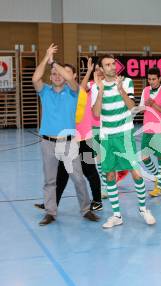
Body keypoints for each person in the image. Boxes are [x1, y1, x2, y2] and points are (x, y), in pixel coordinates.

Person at [32, 44, 99, 226]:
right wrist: (46, 58)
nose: (56, 76)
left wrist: (55, 64)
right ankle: (51, 212)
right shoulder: (45, 91)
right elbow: (36, 77)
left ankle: (86, 210)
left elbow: (69, 77)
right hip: (48, 142)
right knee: (50, 180)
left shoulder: (73, 92)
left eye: (59, 74)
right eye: (53, 74)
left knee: (77, 178)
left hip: (69, 143)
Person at [91, 54, 155, 228]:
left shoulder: (127, 82)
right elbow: (96, 114)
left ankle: (143, 209)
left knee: (135, 172)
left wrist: (120, 90)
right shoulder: (97, 87)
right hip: (106, 136)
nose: (112, 67)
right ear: (101, 69)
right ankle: (117, 215)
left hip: (125, 134)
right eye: (107, 65)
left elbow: (132, 107)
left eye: (113, 64)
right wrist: (101, 91)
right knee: (110, 174)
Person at [139, 67, 161, 197]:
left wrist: (154, 104)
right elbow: (141, 110)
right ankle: (157, 176)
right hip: (147, 129)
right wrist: (143, 107)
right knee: (144, 157)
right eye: (149, 79)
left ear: (160, 79)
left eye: (154, 79)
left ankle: (159, 187)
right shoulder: (145, 90)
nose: (151, 81)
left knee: (160, 157)